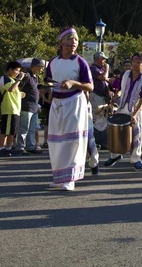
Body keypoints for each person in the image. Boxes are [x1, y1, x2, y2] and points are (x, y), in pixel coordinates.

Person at [45, 28, 93, 190]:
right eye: (69, 39)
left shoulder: (80, 62)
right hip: (57, 103)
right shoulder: (53, 62)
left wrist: (74, 83)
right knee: (56, 140)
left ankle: (70, 178)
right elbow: (48, 81)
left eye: (76, 40)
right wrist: (45, 89)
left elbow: (90, 86)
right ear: (61, 42)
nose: (73, 42)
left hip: (74, 102)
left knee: (73, 141)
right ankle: (59, 177)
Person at [104, 53, 142, 171]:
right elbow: (119, 89)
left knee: (136, 134)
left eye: (138, 62)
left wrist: (135, 114)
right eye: (134, 61)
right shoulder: (125, 74)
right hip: (122, 107)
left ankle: (136, 159)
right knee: (117, 131)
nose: (135, 64)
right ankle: (115, 155)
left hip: (135, 109)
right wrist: (114, 99)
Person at [14, 58, 45, 155]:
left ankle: (30, 146)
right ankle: (20, 147)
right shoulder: (26, 75)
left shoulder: (36, 77)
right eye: (40, 67)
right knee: (24, 128)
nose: (42, 70)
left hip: (34, 107)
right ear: (34, 67)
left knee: (32, 128)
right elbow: (18, 87)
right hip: (26, 106)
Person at [0, 61, 25, 157]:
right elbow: (10, 89)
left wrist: (20, 94)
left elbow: (14, 92)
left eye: (19, 71)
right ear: (9, 70)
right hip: (9, 109)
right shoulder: (5, 78)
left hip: (15, 110)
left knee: (12, 131)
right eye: (16, 70)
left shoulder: (13, 80)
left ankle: (8, 148)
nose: (18, 72)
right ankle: (1, 148)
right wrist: (19, 79)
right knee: (5, 130)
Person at [90, 51, 111, 149]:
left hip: (103, 96)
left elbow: (107, 79)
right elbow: (103, 77)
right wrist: (107, 69)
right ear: (98, 59)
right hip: (96, 95)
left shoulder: (100, 68)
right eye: (103, 59)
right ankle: (94, 140)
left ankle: (102, 141)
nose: (104, 61)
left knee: (103, 118)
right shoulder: (93, 68)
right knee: (97, 117)